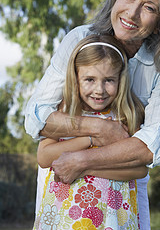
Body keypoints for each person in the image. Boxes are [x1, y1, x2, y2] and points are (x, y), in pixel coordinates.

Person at [25, 0, 160, 230]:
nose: (132, 13)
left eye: (149, 8)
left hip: (120, 195)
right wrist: (98, 129)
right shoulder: (80, 39)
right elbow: (36, 118)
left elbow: (149, 147)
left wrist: (83, 161)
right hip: (64, 190)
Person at [33, 34, 147, 230]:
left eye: (109, 80)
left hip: (113, 215)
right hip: (66, 216)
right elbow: (44, 157)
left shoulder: (126, 115)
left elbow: (140, 169)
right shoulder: (65, 110)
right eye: (90, 79)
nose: (99, 90)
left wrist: (84, 168)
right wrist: (90, 137)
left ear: (121, 79)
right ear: (76, 78)